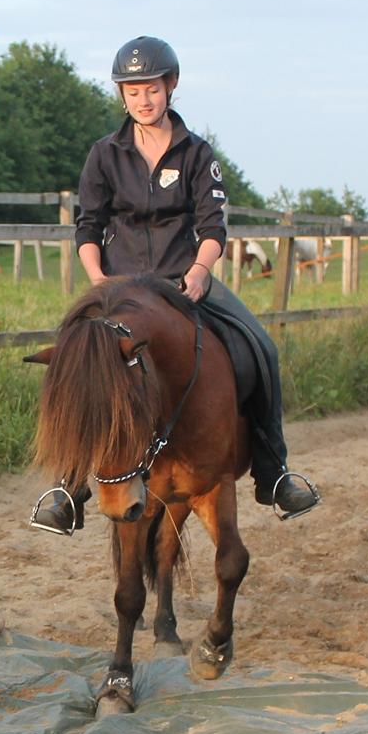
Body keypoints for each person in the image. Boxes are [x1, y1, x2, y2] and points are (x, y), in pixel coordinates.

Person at [31, 35, 319, 534]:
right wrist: (99, 279)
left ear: (171, 87)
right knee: (78, 363)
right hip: (119, 289)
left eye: (152, 89)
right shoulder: (103, 155)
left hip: (184, 282)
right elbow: (88, 226)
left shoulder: (197, 153)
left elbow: (213, 227)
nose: (144, 100)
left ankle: (273, 472)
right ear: (122, 95)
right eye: (133, 91)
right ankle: (68, 486)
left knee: (262, 348)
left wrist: (200, 271)